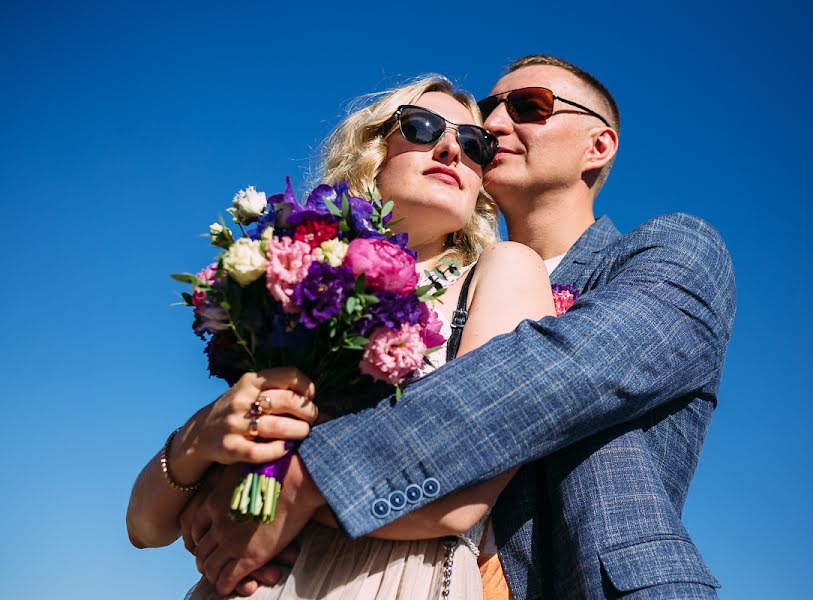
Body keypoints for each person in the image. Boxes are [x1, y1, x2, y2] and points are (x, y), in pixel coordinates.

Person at [182, 55, 737, 600]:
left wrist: (308, 480)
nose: (494, 126)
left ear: (599, 145)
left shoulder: (676, 252)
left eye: (529, 107)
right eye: (489, 113)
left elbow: (557, 372)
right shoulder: (423, 282)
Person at [126, 75, 557, 598]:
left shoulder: (503, 272)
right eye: (422, 128)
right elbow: (146, 528)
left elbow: (462, 495)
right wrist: (204, 434)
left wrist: (286, 505)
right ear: (374, 153)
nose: (451, 149)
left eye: (474, 145)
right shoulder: (306, 280)